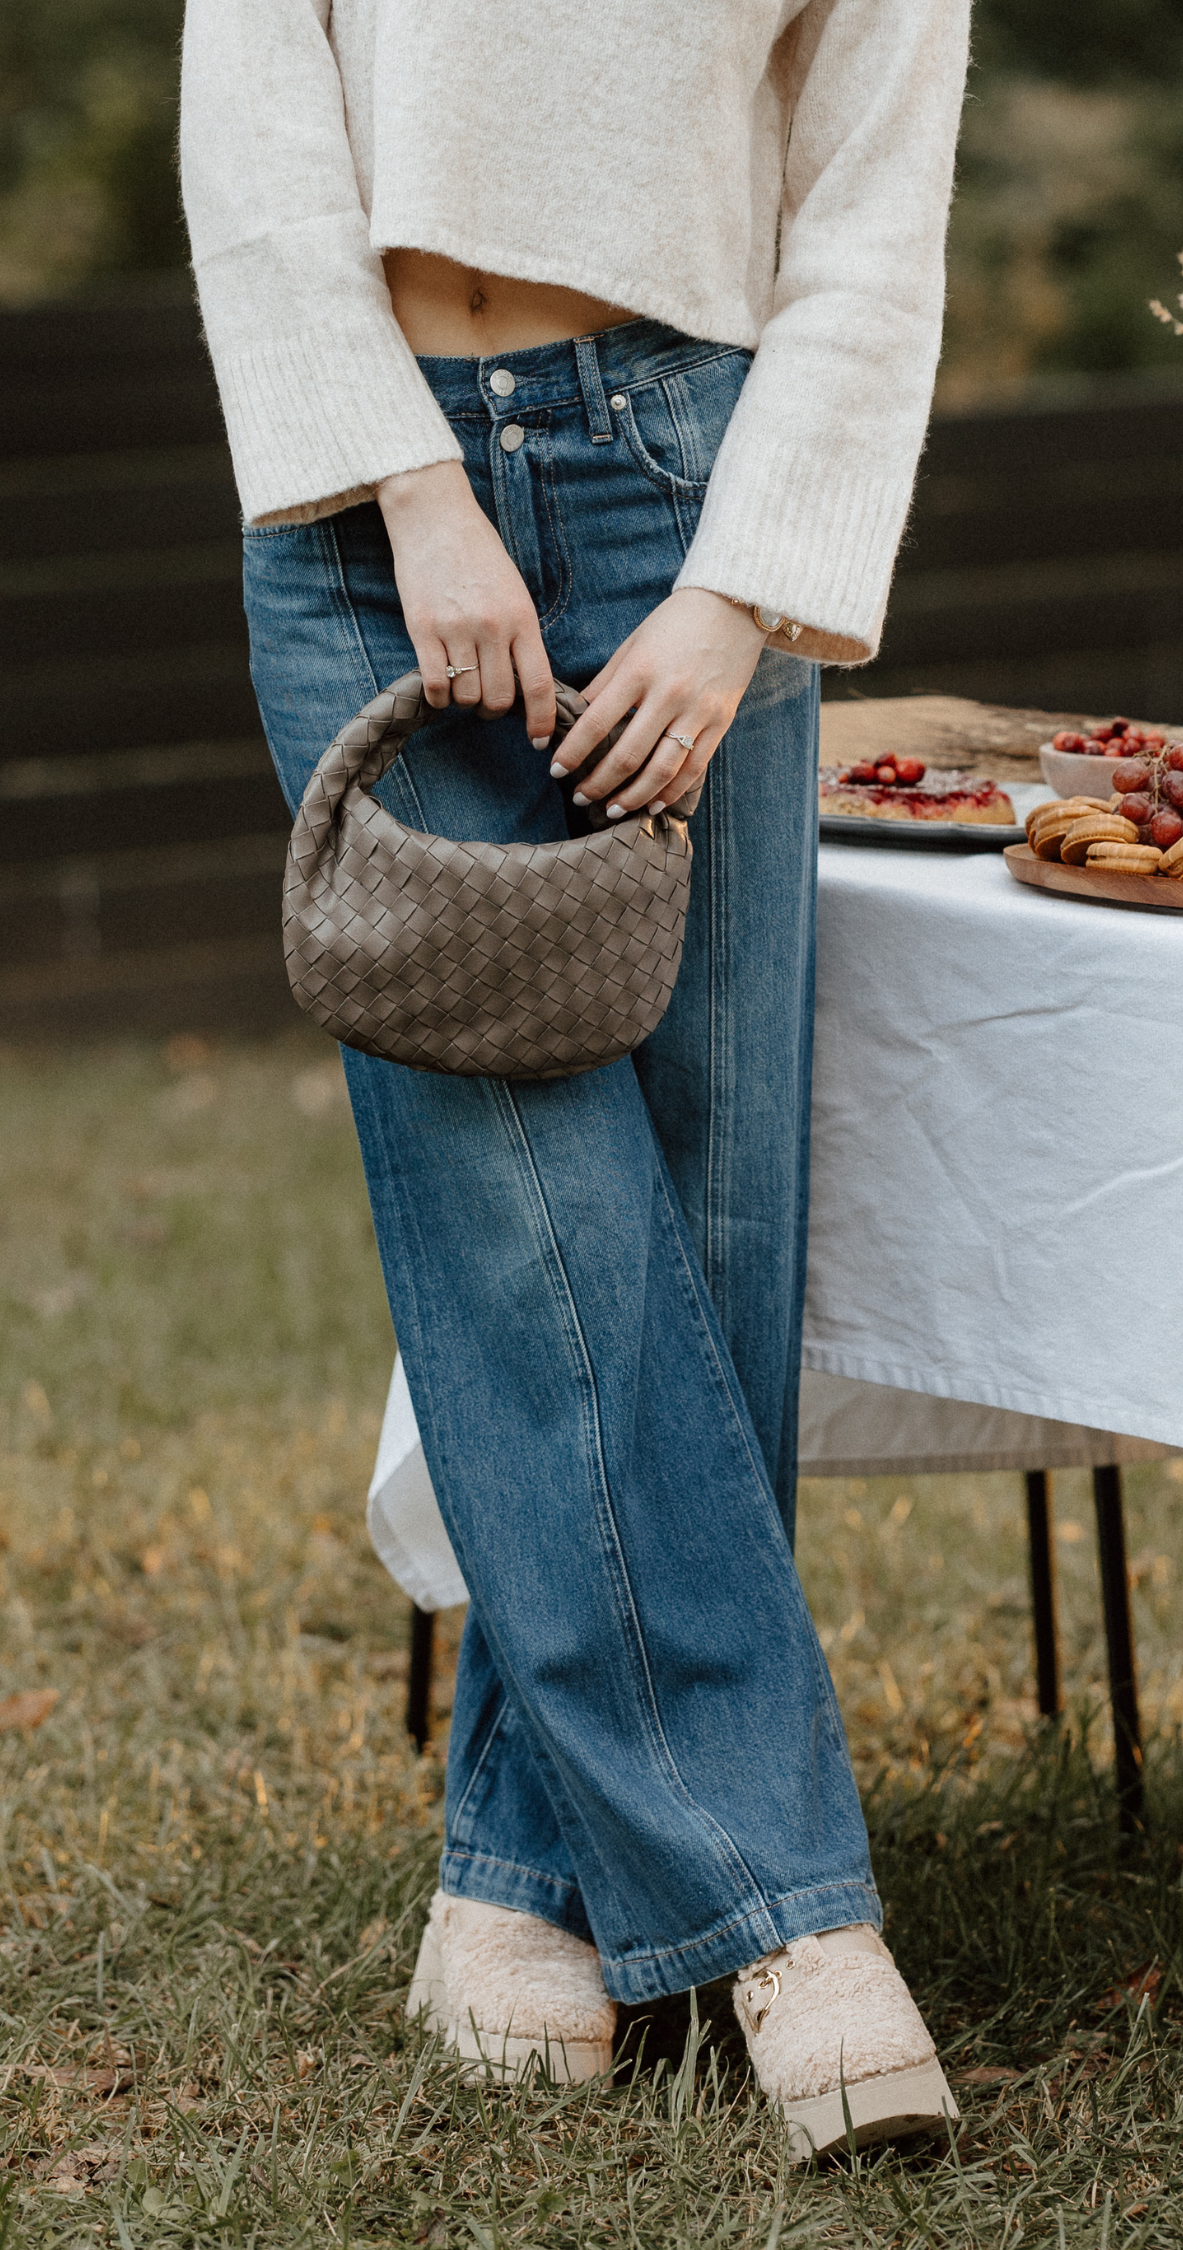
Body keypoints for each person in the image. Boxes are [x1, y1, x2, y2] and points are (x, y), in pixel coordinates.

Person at [180, 0, 970, 2160]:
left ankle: (523, 1874)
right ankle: (791, 1920)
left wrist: (735, 606)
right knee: (525, 1197)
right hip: (369, 512)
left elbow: (873, 218)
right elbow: (255, 124)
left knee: (696, 1221)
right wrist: (420, 496)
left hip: (685, 503)